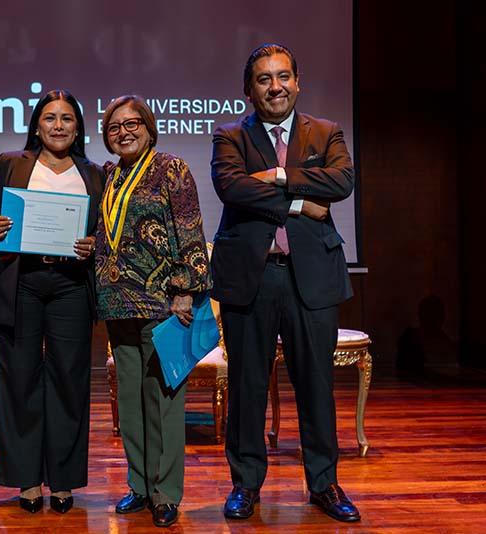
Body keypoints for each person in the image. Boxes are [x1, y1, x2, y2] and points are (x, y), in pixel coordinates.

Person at [210, 43, 360, 522]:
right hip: (249, 278)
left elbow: (340, 183)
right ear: (248, 89)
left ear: (297, 81)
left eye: (282, 77)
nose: (274, 87)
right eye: (263, 79)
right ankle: (246, 485)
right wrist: (300, 199)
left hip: (311, 278)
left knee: (315, 385)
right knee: (248, 386)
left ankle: (324, 484)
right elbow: (232, 187)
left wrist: (276, 175)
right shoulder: (229, 134)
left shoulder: (327, 131)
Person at [0, 90, 104, 514]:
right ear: (36, 124)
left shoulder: (94, 172)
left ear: (78, 127)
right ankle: (26, 480)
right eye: (50, 118)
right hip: (22, 282)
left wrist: (93, 246)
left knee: (70, 381)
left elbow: (104, 231)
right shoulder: (12, 163)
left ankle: (64, 481)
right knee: (18, 380)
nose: (58, 126)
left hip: (71, 283)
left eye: (68, 119)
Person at [95, 95, 211, 528]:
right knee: (130, 401)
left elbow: (190, 229)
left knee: (164, 401)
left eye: (132, 124)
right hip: (116, 302)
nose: (123, 132)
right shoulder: (109, 175)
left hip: (164, 303)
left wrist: (185, 290)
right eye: (114, 127)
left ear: (148, 126)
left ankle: (165, 492)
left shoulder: (171, 169)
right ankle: (139, 484)